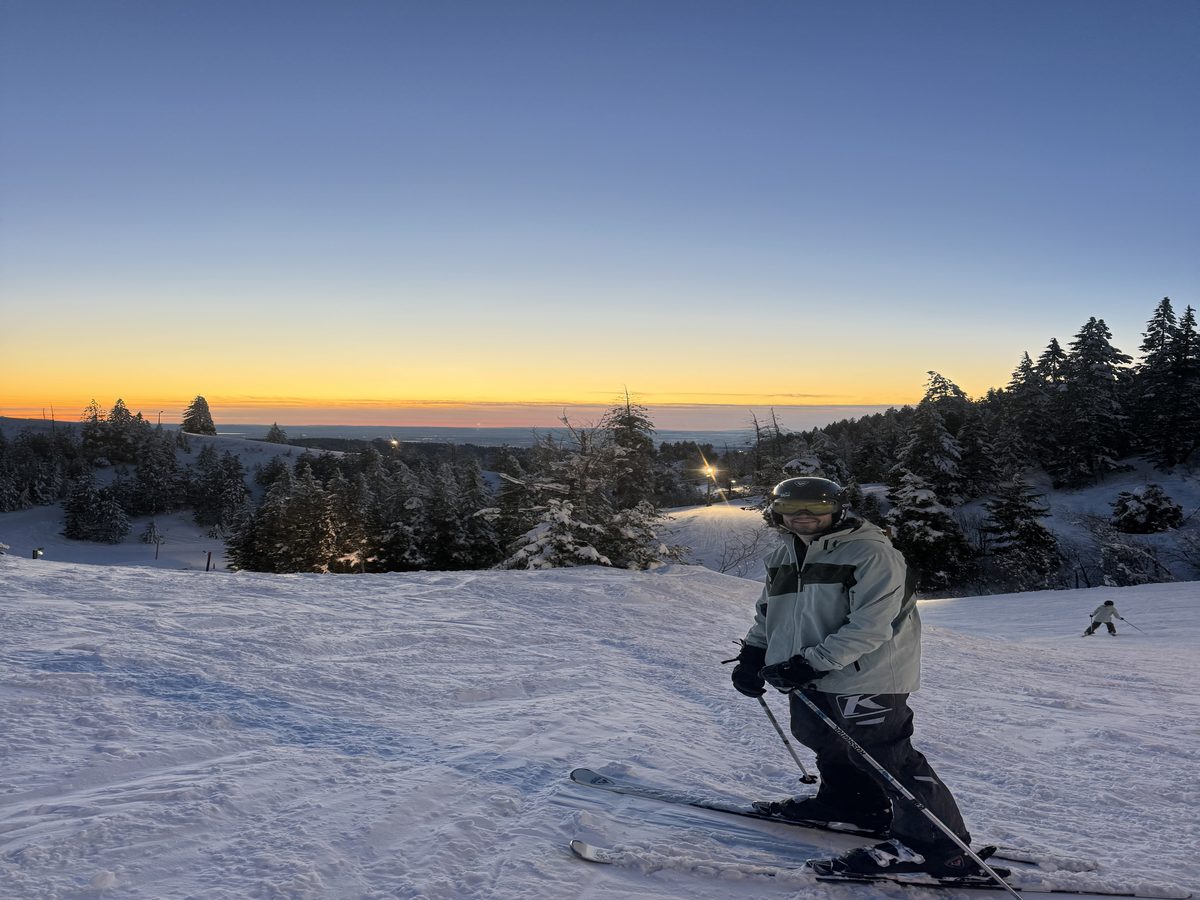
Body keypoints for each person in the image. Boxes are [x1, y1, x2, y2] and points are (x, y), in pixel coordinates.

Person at [728, 477, 985, 878]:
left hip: (867, 674)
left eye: (816, 508)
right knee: (822, 739)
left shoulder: (870, 553)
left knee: (886, 755)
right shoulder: (785, 554)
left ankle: (937, 847)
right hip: (809, 671)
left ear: (838, 509)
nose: (804, 517)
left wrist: (814, 661)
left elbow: (871, 625)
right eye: (792, 509)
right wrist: (753, 655)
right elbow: (769, 613)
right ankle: (853, 804)